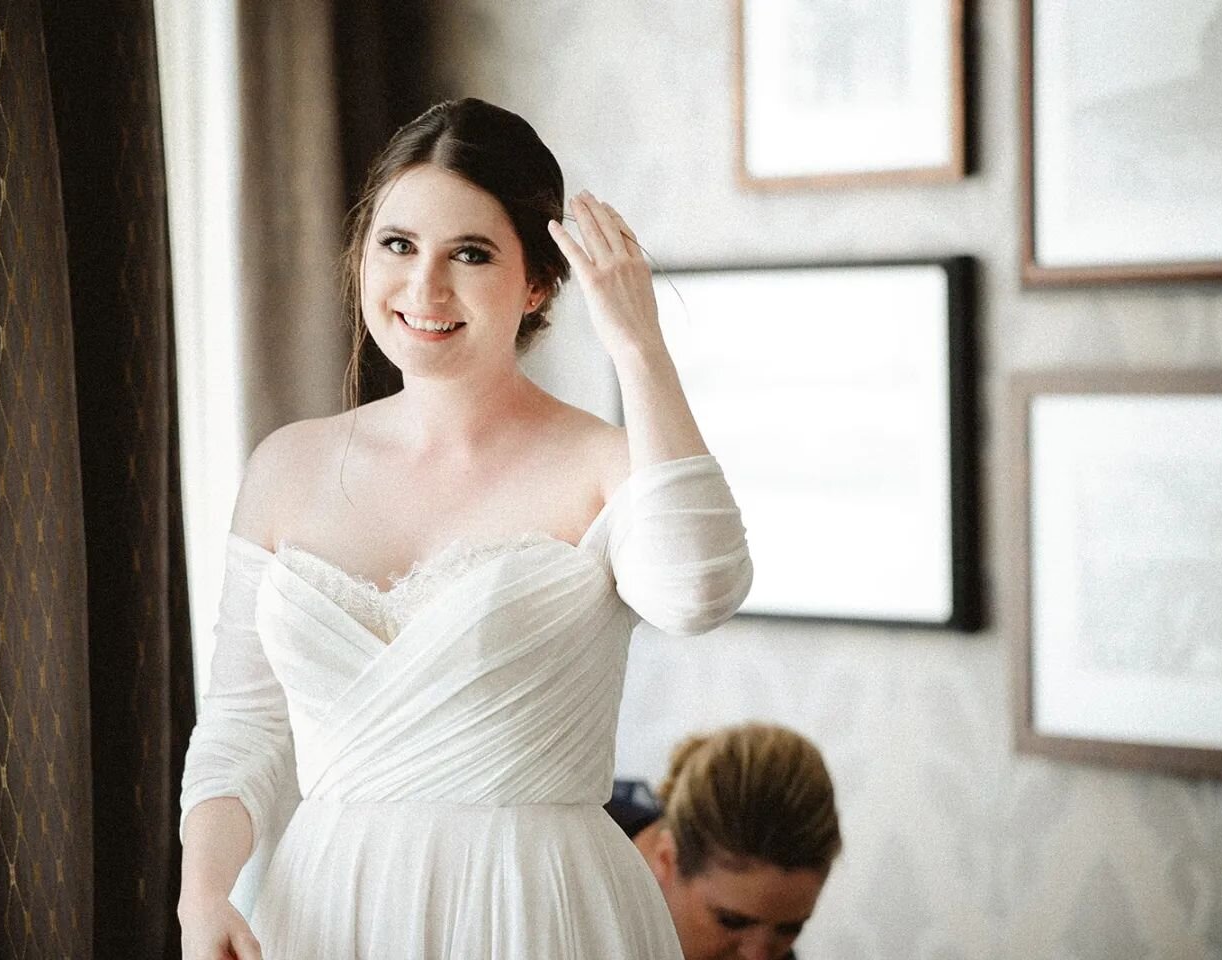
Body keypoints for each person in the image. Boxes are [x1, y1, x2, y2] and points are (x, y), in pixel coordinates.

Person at [177, 97, 754, 960]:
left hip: (536, 912)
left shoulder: (604, 464)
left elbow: (701, 590)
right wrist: (202, 893)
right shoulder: (287, 466)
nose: (424, 288)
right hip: (323, 911)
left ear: (539, 282)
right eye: (398, 245)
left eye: (471, 254)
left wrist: (639, 348)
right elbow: (243, 726)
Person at [609, 724, 841, 960]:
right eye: (733, 921)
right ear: (667, 859)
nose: (757, 956)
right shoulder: (575, 868)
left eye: (790, 928)